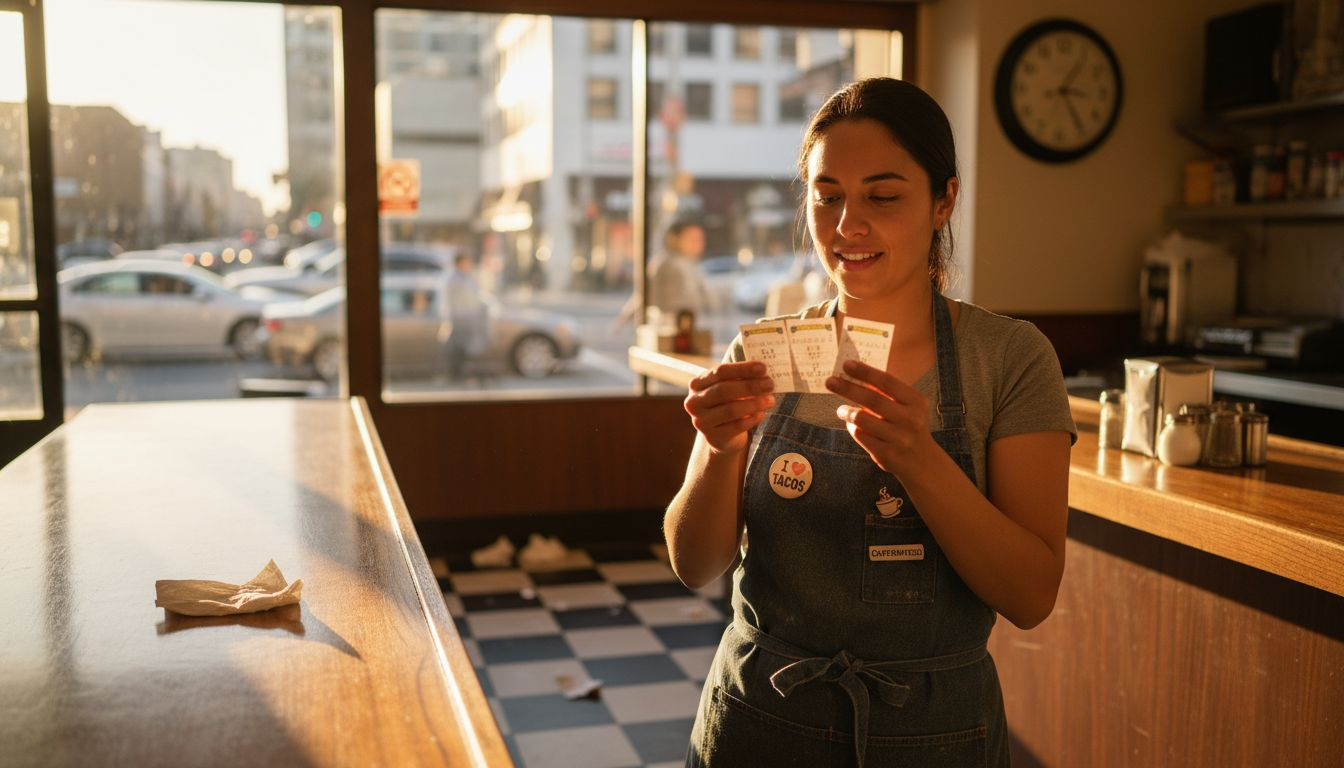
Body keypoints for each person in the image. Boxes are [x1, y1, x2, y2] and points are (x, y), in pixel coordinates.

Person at [667, 78, 1076, 767]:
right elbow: (694, 562)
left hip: (936, 731)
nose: (846, 225)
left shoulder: (1007, 358)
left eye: (883, 196)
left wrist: (920, 459)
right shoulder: (766, 354)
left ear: (943, 200)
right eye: (826, 196)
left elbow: (1031, 594)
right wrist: (718, 446)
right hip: (760, 719)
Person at [613, 218, 714, 330]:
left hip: (687, 327)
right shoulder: (665, 264)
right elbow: (642, 296)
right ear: (674, 239)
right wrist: (623, 320)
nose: (699, 244)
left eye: (700, 239)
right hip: (668, 329)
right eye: (692, 239)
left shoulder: (691, 265)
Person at [439, 252, 490, 382]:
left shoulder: (465, 277)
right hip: (460, 319)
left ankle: (459, 375)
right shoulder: (455, 280)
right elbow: (464, 301)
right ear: (459, 263)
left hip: (466, 319)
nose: (468, 265)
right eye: (466, 262)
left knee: (464, 349)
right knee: (458, 349)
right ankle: (456, 376)